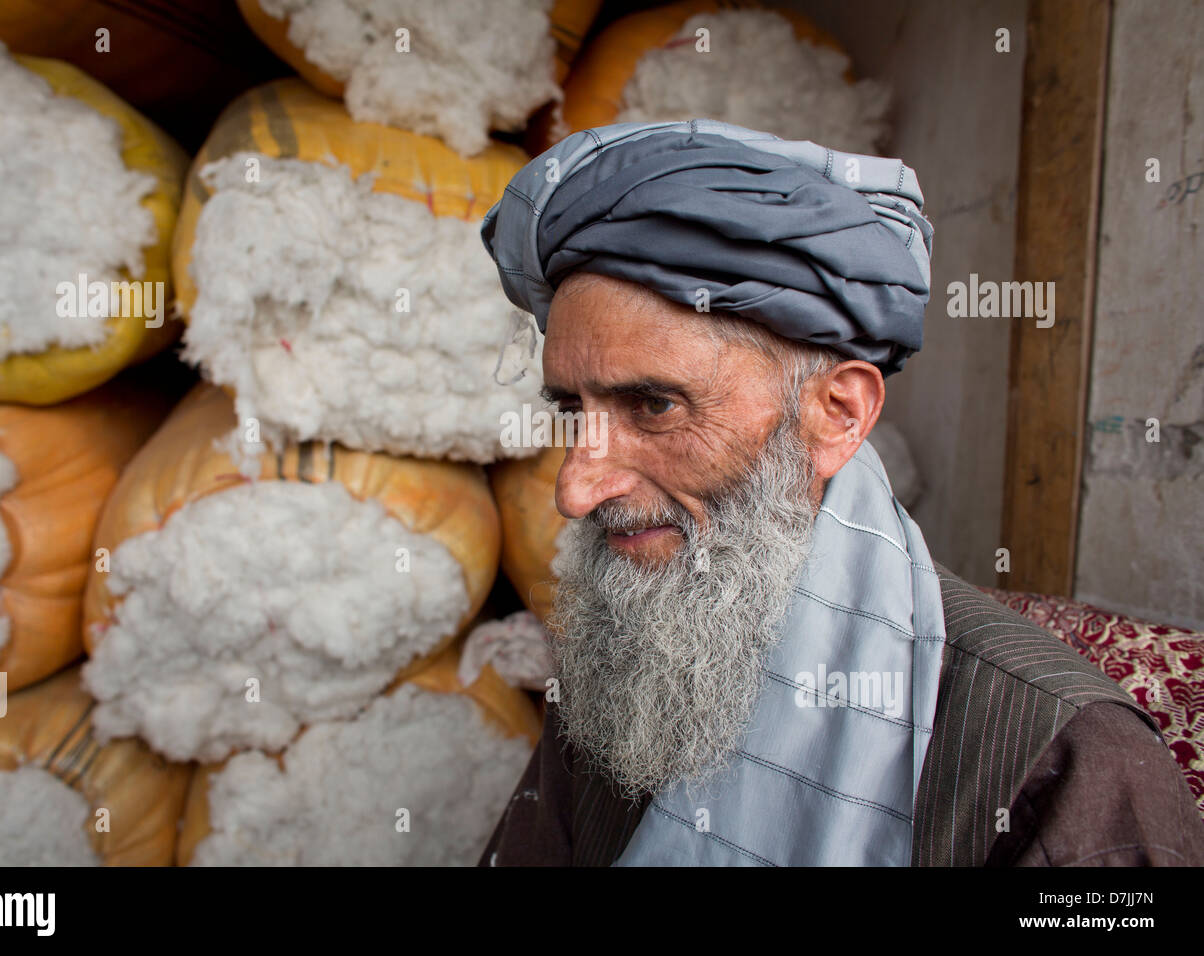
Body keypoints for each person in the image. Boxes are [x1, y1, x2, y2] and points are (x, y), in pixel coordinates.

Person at [474, 119, 1204, 866]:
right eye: (574, 411)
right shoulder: (630, 647)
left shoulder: (1065, 758)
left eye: (655, 407)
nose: (575, 487)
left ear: (837, 416)